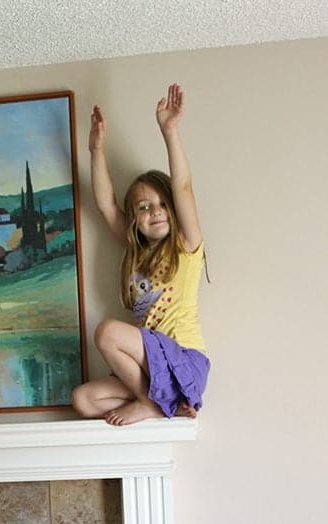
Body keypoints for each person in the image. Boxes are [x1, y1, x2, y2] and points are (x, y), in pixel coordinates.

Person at [72, 84, 210, 425]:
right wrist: (96, 149)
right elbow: (105, 206)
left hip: (183, 362)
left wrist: (170, 131)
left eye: (162, 204)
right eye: (144, 208)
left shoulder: (187, 246)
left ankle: (150, 403)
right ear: (135, 219)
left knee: (107, 332)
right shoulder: (136, 253)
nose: (156, 212)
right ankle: (160, 402)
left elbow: (183, 188)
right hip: (149, 369)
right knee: (84, 400)